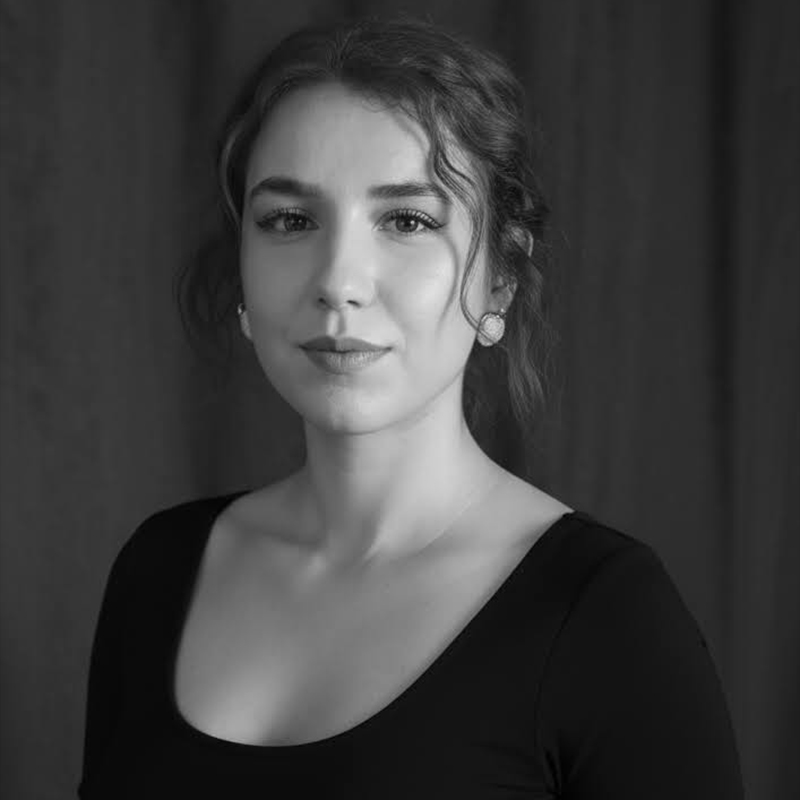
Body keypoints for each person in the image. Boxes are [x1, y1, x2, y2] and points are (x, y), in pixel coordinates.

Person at [78, 12, 744, 799]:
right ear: (244, 273)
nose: (339, 281)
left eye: (407, 220)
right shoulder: (157, 571)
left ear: (501, 278)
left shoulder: (606, 616)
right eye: (290, 220)